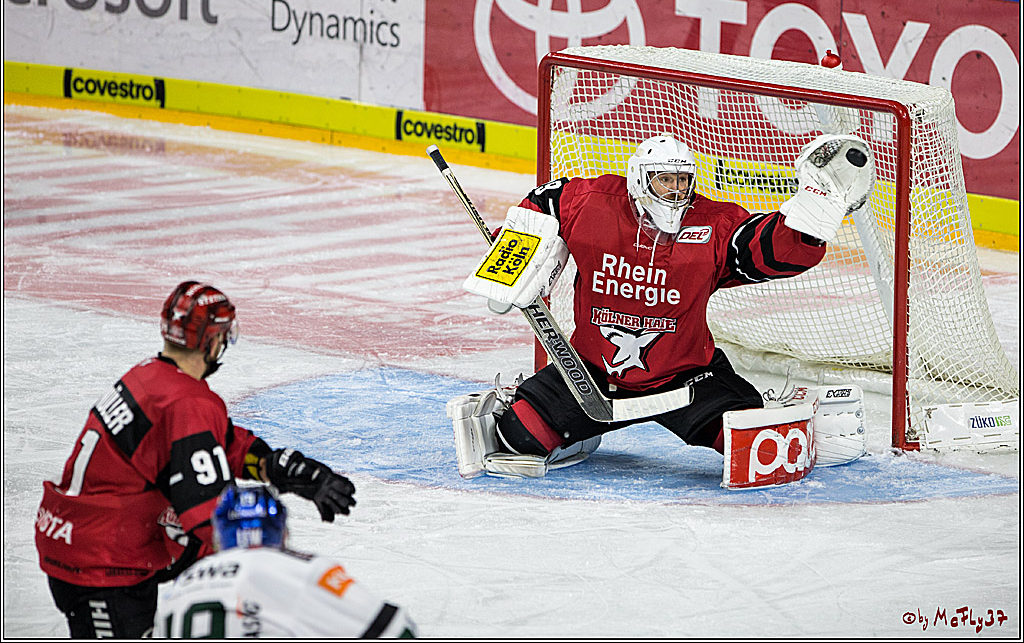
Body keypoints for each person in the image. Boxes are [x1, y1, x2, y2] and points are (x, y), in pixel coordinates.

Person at [449, 133, 875, 477]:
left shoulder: (711, 223)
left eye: (683, 180)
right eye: (664, 179)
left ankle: (787, 406)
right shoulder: (594, 204)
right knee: (517, 438)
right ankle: (580, 431)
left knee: (758, 451)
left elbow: (763, 250)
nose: (675, 190)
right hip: (590, 376)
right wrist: (515, 255)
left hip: (686, 379)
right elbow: (545, 201)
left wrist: (811, 219)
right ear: (639, 180)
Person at [35, 281, 357, 638]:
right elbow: (209, 514)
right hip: (101, 563)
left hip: (78, 538)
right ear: (210, 341)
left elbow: (214, 441)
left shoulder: (150, 374)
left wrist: (274, 465)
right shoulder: (188, 401)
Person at [154, 483, 417, 638]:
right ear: (282, 531)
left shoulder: (180, 587)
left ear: (218, 536)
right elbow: (394, 628)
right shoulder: (299, 570)